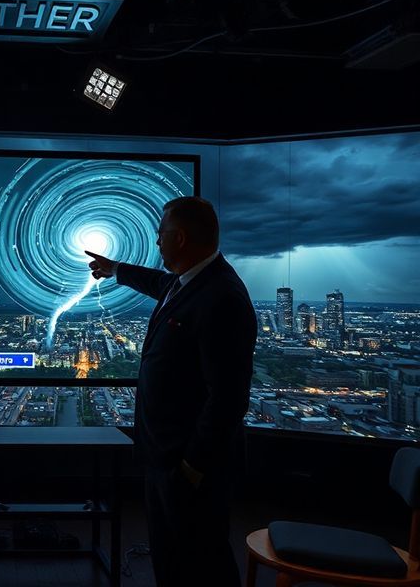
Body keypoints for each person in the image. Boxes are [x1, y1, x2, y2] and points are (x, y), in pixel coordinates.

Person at [86, 196, 256, 587]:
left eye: (160, 234)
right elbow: (157, 281)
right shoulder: (188, 283)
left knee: (202, 559)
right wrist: (115, 270)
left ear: (179, 238)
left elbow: (229, 398)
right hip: (165, 456)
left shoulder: (223, 298)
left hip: (190, 465)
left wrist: (192, 467)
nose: (156, 241)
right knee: (171, 555)